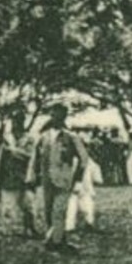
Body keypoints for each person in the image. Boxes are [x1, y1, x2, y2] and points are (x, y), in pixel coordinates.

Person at [27, 103, 88, 254]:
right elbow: (35, 159)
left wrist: (78, 180)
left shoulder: (71, 137)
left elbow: (84, 159)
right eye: (53, 114)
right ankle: (57, 240)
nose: (55, 117)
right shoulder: (44, 137)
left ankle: (55, 242)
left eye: (59, 114)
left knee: (58, 211)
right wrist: (32, 178)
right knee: (48, 212)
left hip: (64, 179)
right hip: (47, 179)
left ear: (64, 116)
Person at [0, 113, 39, 238]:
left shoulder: (29, 139)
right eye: (14, 121)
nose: (16, 124)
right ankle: (6, 230)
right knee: (8, 207)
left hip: (25, 175)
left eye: (19, 121)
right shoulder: (6, 138)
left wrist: (14, 151)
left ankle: (30, 229)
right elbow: (1, 159)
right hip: (9, 175)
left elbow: (30, 156)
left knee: (28, 205)